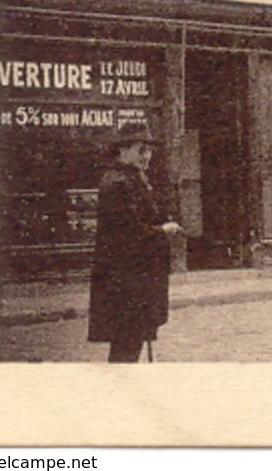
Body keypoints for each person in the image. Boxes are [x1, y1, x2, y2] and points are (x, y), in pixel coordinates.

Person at [87, 120, 183, 363]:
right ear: (123, 149)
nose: (147, 156)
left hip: (136, 278)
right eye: (141, 150)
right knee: (126, 345)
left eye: (149, 150)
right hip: (126, 281)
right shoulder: (118, 183)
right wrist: (162, 230)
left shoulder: (132, 178)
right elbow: (128, 234)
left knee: (132, 340)